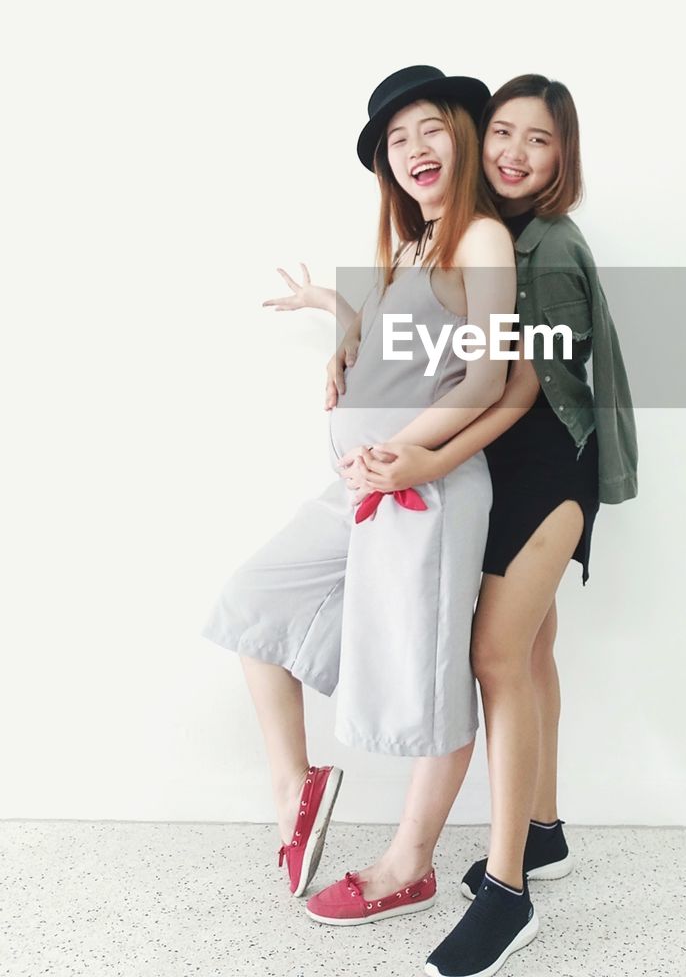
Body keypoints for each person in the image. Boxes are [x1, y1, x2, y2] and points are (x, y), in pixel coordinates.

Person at [202, 66, 519, 924]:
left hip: (430, 491)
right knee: (251, 602)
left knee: (429, 680)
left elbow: (488, 375)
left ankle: (407, 866)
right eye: (396, 139)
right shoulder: (409, 246)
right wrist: (338, 318)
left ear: (460, 132)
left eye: (429, 130)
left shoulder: (480, 239)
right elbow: (409, 337)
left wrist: (403, 452)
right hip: (363, 489)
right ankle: (295, 786)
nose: (414, 149)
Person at [347, 74, 639, 977]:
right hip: (504, 472)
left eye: (539, 141)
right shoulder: (486, 234)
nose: (514, 152)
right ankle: (542, 831)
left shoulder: (544, 249)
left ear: (565, 157)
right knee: (535, 652)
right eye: (502, 132)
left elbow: (521, 389)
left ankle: (508, 894)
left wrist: (427, 459)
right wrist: (344, 338)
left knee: (496, 660)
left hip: (546, 472)